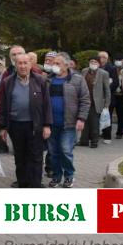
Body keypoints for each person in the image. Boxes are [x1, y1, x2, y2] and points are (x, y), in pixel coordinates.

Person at [0, 53, 52, 188]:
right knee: (20, 157)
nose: (22, 66)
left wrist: (47, 125)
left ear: (30, 64)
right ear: (15, 65)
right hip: (16, 125)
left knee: (36, 157)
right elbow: (3, 105)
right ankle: (22, 184)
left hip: (35, 125)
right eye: (19, 63)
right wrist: (3, 127)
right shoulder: (7, 82)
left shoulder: (40, 80)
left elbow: (47, 104)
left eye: (25, 63)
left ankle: (35, 185)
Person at [47, 52, 90, 188]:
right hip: (51, 123)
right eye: (53, 63)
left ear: (66, 65)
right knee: (53, 152)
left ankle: (69, 176)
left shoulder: (77, 79)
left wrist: (81, 118)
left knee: (65, 150)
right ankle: (56, 176)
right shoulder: (48, 80)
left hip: (69, 123)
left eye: (57, 63)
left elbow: (85, 100)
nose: (54, 66)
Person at [0, 45, 26, 154]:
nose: (16, 56)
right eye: (14, 54)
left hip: (32, 119)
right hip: (14, 118)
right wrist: (1, 116)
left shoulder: (35, 71)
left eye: (19, 53)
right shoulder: (6, 73)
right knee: (19, 150)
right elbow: (0, 96)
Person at [79, 56, 110, 147]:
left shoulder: (104, 73)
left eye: (95, 62)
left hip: (96, 102)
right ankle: (83, 141)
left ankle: (94, 142)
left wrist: (107, 103)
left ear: (99, 64)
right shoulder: (84, 71)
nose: (93, 63)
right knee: (84, 121)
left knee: (94, 123)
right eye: (91, 61)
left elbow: (107, 90)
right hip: (84, 101)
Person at [98, 51, 119, 143]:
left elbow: (115, 82)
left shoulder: (111, 68)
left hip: (107, 96)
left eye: (103, 57)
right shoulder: (96, 67)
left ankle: (107, 135)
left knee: (107, 115)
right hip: (97, 96)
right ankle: (100, 131)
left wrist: (106, 89)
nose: (101, 59)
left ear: (107, 59)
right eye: (100, 57)